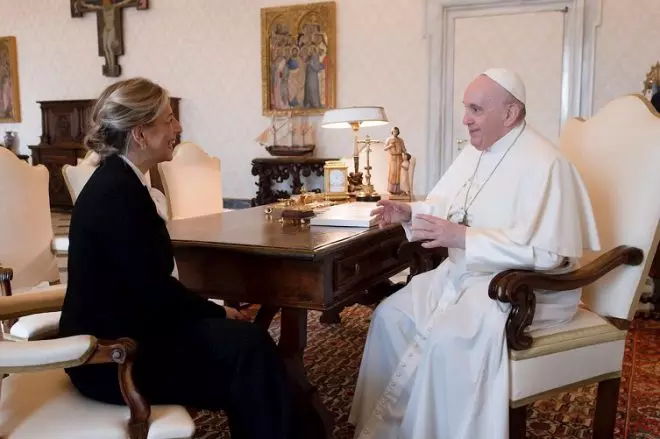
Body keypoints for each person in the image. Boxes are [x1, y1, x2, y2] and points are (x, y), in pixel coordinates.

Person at [58, 77, 325, 439]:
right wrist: (217, 312)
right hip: (113, 359)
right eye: (168, 119)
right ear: (140, 133)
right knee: (249, 351)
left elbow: (151, 289)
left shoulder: (121, 182)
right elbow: (153, 292)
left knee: (250, 350)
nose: (178, 127)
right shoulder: (116, 194)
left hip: (136, 334)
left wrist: (213, 314)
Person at [349, 68, 600, 439]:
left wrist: (466, 238)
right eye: (466, 108)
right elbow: (450, 205)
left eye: (476, 109)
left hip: (521, 288)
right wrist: (411, 212)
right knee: (389, 316)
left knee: (446, 341)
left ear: (510, 113)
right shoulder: (475, 153)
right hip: (463, 276)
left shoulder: (547, 164)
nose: (465, 118)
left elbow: (548, 255)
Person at [383, 127, 407, 195]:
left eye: (396, 131)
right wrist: (390, 145)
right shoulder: (389, 139)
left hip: (399, 157)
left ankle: (399, 189)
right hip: (393, 158)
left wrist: (406, 154)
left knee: (399, 173)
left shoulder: (400, 140)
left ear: (398, 132)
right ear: (392, 132)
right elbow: (385, 148)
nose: (395, 133)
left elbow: (403, 149)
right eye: (394, 131)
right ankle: (392, 189)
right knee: (393, 173)